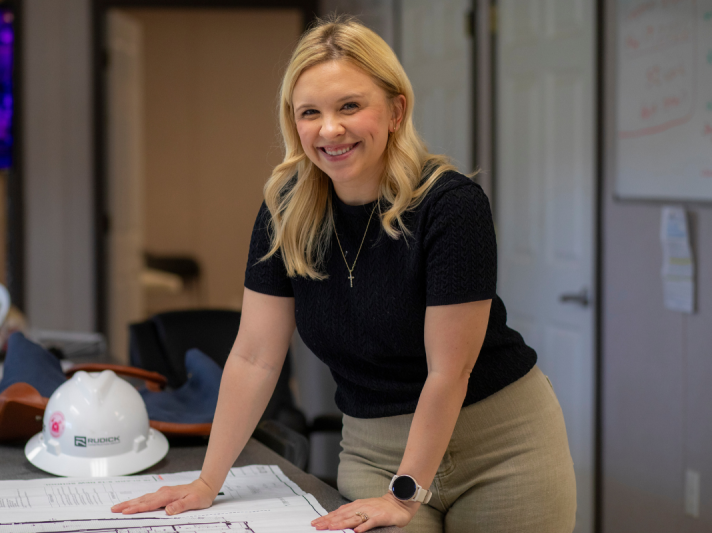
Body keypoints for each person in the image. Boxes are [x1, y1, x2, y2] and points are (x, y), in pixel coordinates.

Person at [111, 15, 576, 533]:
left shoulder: (450, 206)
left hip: (500, 447)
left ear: (396, 110)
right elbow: (254, 356)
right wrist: (206, 482)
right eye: (310, 113)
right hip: (375, 450)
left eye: (350, 106)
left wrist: (405, 496)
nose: (329, 129)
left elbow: (448, 373)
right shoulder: (285, 214)